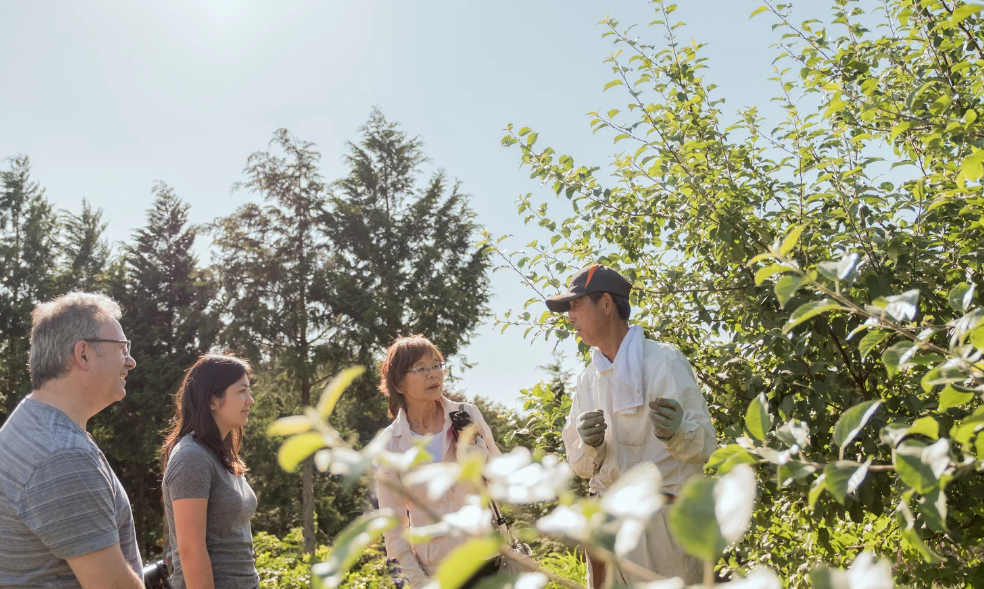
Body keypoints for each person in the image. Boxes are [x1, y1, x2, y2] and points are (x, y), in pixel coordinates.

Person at [546, 265, 717, 586]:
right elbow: (581, 467)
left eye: (575, 305)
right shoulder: (587, 378)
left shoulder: (664, 362)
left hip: (662, 530)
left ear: (606, 304)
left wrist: (678, 433)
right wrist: (590, 445)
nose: (570, 317)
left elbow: (705, 445)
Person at [0, 292, 143, 588]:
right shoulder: (62, 456)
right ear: (83, 354)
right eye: (122, 348)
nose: (131, 361)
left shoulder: (31, 421)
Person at [374, 335, 502, 589]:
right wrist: (420, 583)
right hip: (435, 574)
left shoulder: (466, 415)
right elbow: (395, 532)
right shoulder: (389, 444)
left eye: (437, 365)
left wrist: (472, 450)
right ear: (399, 384)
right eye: (421, 368)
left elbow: (499, 477)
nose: (433, 374)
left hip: (489, 562)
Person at [160, 355, 259, 589]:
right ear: (213, 400)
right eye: (241, 391)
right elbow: (191, 550)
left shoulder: (221, 455)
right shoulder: (191, 457)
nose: (250, 400)